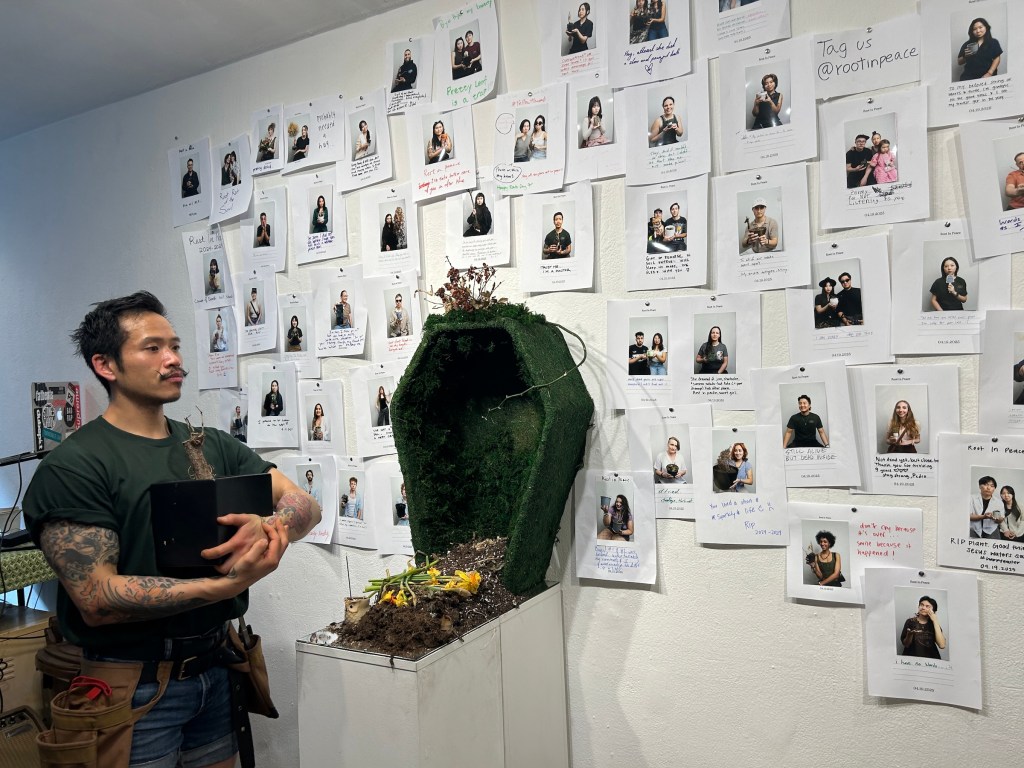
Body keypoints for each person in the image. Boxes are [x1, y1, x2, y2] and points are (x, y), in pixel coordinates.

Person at [21, 292, 320, 768]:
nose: (174, 359)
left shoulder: (211, 445)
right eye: (153, 348)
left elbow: (305, 504)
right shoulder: (75, 465)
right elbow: (97, 599)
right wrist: (223, 586)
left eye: (175, 346)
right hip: (130, 687)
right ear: (105, 364)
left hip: (216, 669)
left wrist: (272, 524)